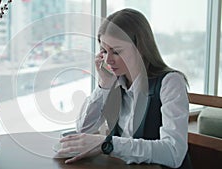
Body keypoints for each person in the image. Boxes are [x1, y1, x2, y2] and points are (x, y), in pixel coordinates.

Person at [57, 8, 192, 169]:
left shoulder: (170, 82)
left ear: (140, 49)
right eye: (104, 51)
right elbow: (84, 128)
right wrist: (104, 85)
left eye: (116, 52)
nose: (108, 60)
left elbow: (173, 153)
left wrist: (108, 144)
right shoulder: (114, 82)